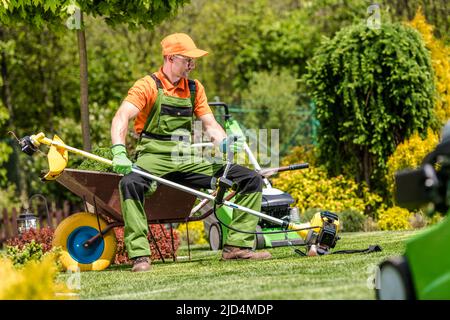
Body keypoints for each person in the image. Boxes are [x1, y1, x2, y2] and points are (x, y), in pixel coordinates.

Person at [110, 33, 271, 272]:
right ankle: (140, 255)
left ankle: (237, 247)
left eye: (192, 61)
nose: (192, 65)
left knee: (250, 179)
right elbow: (121, 116)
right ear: (171, 58)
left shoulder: (195, 89)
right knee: (130, 183)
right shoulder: (147, 86)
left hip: (186, 159)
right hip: (153, 157)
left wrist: (224, 142)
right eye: (188, 60)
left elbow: (210, 125)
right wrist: (119, 151)